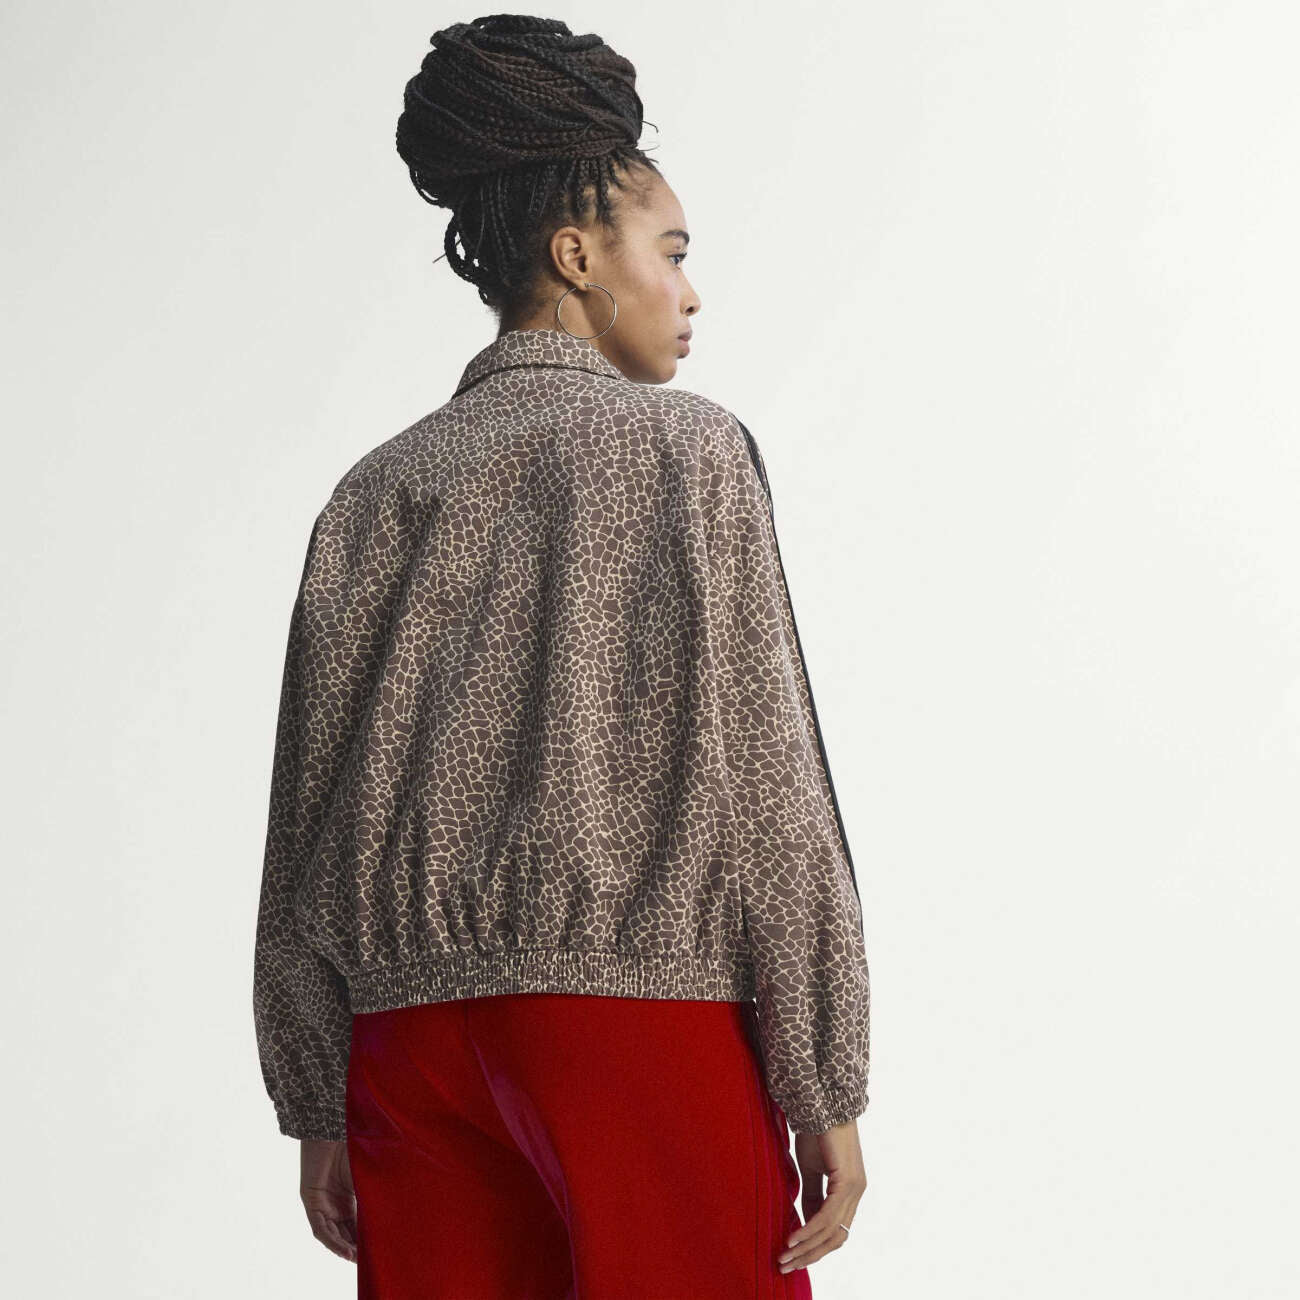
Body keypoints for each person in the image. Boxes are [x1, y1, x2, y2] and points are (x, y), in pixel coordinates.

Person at [252, 13, 871, 1297]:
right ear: (577, 254)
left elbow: (304, 815)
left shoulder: (374, 491)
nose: (691, 292)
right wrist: (823, 1075)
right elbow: (765, 778)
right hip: (637, 1021)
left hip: (410, 1044)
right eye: (673, 252)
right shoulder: (688, 452)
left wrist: (318, 1095)